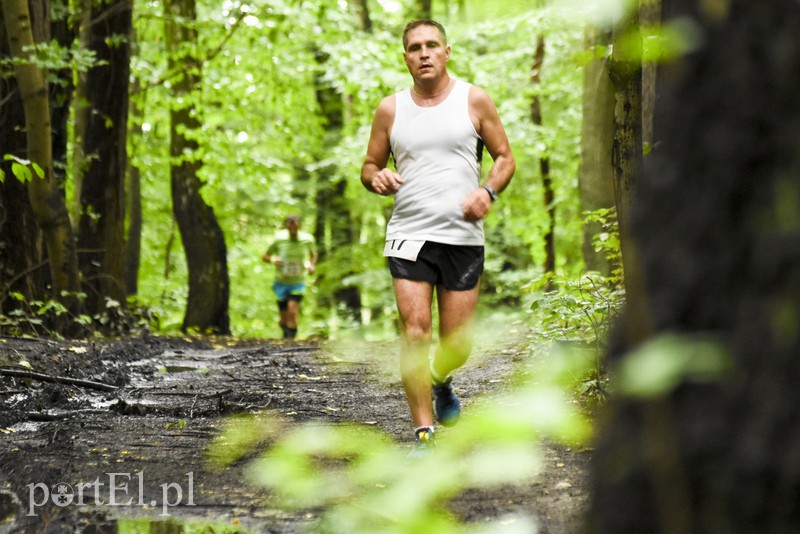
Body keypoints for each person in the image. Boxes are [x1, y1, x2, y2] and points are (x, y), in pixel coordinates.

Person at [360, 19, 515, 454]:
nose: (424, 53)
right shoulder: (390, 109)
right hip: (408, 234)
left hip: (462, 236)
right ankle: (423, 436)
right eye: (414, 47)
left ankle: (441, 379)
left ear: (447, 52)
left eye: (432, 45)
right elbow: (368, 167)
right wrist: (378, 177)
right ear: (405, 57)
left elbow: (505, 157)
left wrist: (488, 191)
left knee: (456, 344)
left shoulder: (474, 100)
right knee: (414, 333)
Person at [262, 215, 318, 339]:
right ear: (286, 225)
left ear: (300, 225)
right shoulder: (279, 238)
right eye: (290, 225)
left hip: (298, 282)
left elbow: (313, 255)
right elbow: (265, 256)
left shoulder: (307, 239)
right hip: (281, 281)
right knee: (283, 318)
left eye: (296, 225)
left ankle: (291, 340)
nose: (293, 227)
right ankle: (285, 334)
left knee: (292, 312)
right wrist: (272, 259)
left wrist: (311, 265)